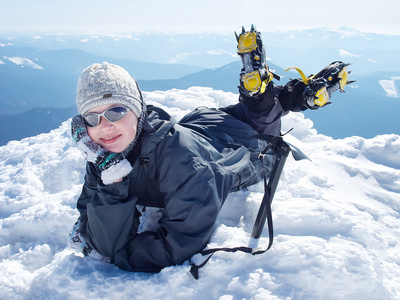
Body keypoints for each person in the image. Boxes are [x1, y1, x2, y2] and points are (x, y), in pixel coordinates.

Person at [69, 26, 350, 273]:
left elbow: (175, 246)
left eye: (117, 111)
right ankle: (288, 95)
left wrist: (115, 254)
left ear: (139, 110)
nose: (105, 126)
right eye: (92, 118)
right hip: (204, 125)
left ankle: (278, 96)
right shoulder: (105, 156)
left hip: (245, 148)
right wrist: (113, 179)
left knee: (261, 127)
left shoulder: (189, 168)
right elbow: (89, 219)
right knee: (255, 112)